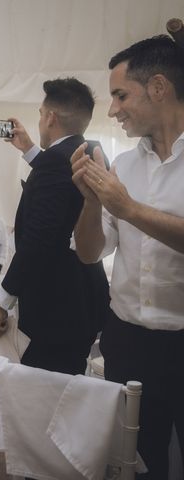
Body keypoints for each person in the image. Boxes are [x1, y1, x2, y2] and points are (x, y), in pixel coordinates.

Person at [71, 35, 184, 479]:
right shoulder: (123, 166)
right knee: (138, 460)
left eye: (121, 95)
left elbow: (129, 212)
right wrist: (91, 202)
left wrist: (129, 208)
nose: (113, 109)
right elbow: (88, 253)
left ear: (158, 87)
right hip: (127, 341)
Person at [0, 78, 104, 376]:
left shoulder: (55, 162)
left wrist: (3, 301)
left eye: (40, 113)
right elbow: (61, 185)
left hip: (56, 306)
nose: (39, 120)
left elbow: (38, 241)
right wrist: (28, 149)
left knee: (48, 395)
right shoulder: (88, 150)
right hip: (83, 297)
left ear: (51, 117)